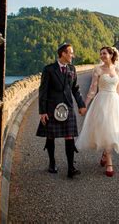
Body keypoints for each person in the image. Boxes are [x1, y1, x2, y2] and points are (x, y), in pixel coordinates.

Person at [76, 46, 119, 177]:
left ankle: (105, 154)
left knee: (112, 130)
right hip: (101, 102)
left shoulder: (118, 70)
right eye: (100, 54)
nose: (102, 56)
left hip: (115, 102)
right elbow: (92, 90)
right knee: (105, 128)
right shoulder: (97, 69)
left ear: (111, 55)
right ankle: (109, 163)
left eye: (104, 53)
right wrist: (84, 105)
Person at [36, 43, 87, 178]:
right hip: (52, 108)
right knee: (51, 136)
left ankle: (71, 168)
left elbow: (75, 89)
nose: (73, 55)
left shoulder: (72, 69)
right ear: (63, 54)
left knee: (69, 136)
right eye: (71, 53)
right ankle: (52, 163)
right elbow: (43, 91)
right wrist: (43, 111)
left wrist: (81, 105)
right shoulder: (49, 69)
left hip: (68, 107)